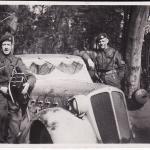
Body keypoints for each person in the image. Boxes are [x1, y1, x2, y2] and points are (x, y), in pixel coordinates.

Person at [0, 33, 36, 143]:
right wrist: (1, 88)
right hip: (1, 94)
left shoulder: (17, 61)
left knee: (15, 128)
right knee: (2, 116)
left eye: (8, 44)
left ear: (11, 46)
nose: (6, 47)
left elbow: (31, 76)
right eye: (4, 44)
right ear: (1, 46)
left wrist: (28, 84)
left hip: (13, 97)